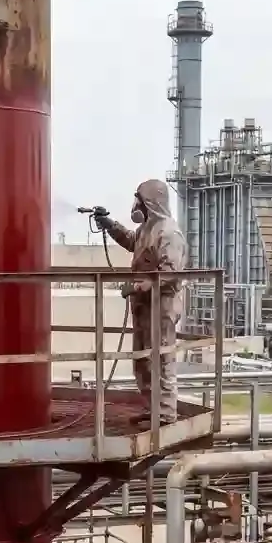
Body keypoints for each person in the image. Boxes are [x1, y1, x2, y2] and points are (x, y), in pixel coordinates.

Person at [96, 179, 186, 423]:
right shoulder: (147, 228)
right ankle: (151, 408)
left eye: (139, 198)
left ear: (151, 202)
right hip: (144, 305)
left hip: (161, 306)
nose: (136, 204)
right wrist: (109, 224)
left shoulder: (168, 231)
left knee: (161, 357)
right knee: (143, 359)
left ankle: (166, 414)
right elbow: (130, 240)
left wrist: (137, 286)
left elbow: (169, 272)